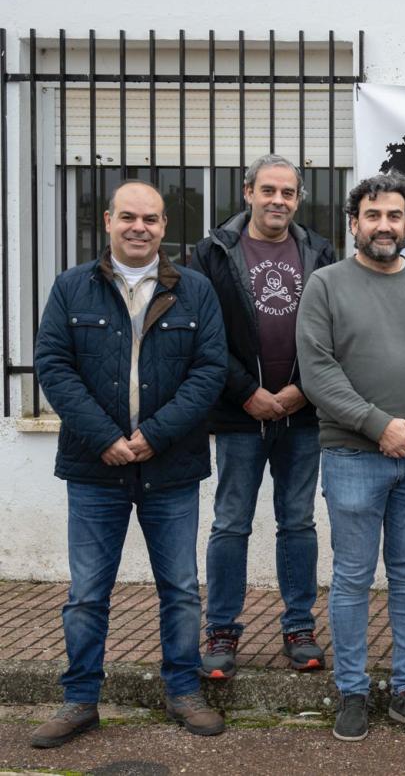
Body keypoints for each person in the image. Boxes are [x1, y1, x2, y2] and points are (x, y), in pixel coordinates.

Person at [32, 181, 228, 747]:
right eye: (128, 218)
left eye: (151, 219)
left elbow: (209, 371)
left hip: (170, 466)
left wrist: (152, 437)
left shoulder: (194, 290)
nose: (139, 227)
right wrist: (106, 439)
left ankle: (183, 690)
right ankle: (79, 700)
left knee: (182, 589)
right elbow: (53, 365)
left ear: (165, 227)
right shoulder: (72, 287)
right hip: (96, 468)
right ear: (111, 222)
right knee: (88, 592)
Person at [296, 172, 405, 743]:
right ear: (354, 224)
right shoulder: (325, 285)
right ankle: (351, 691)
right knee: (350, 577)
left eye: (395, 216)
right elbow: (319, 371)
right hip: (351, 455)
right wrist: (378, 426)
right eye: (373, 216)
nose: (384, 226)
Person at [191, 154, 336, 679]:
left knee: (297, 522)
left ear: (298, 199)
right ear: (248, 191)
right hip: (238, 415)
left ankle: (299, 627)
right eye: (268, 190)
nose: (278, 201)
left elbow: (334, 332)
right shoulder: (212, 253)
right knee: (231, 523)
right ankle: (222, 631)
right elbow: (201, 335)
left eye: (288, 192)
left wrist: (303, 390)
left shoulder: (319, 251)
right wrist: (248, 391)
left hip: (302, 413)